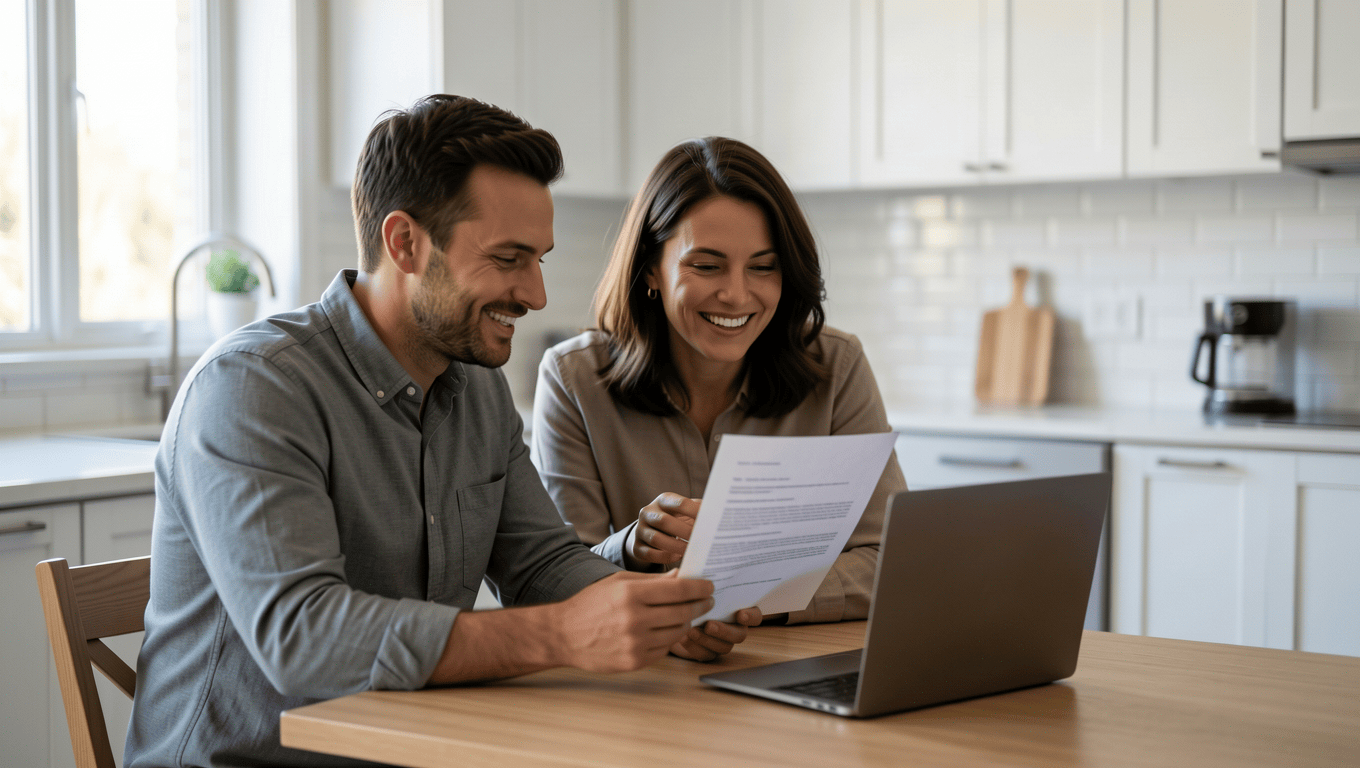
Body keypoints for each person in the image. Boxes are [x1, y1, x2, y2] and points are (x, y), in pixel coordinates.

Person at [126, 96, 757, 768]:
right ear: (405, 243)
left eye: (539, 258)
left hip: (410, 750)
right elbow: (303, 638)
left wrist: (658, 610)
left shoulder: (477, 387)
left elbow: (542, 566)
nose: (537, 293)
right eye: (510, 258)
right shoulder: (253, 388)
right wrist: (558, 635)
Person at [531, 136, 907, 626]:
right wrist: (631, 548)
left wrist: (751, 601)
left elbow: (889, 558)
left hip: (793, 665)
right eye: (706, 266)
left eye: (763, 267)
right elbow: (548, 580)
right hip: (643, 680)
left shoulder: (837, 367)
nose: (736, 294)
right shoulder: (573, 378)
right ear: (651, 268)